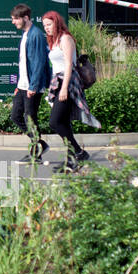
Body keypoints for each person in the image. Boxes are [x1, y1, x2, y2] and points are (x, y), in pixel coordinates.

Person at [41, 10, 98, 172]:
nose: (47, 28)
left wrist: (64, 88)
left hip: (68, 82)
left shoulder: (66, 39)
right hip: (58, 82)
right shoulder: (55, 41)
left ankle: (79, 152)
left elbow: (68, 65)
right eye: (44, 25)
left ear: (57, 22)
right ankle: (71, 158)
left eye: (49, 24)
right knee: (63, 121)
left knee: (55, 122)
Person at [9, 4, 50, 165]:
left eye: (15, 19)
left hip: (33, 85)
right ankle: (40, 145)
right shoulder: (26, 34)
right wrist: (20, 85)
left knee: (30, 118)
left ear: (25, 18)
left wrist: (33, 86)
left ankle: (36, 153)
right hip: (24, 85)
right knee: (16, 116)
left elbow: (39, 63)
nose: (13, 22)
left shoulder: (36, 35)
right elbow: (24, 62)